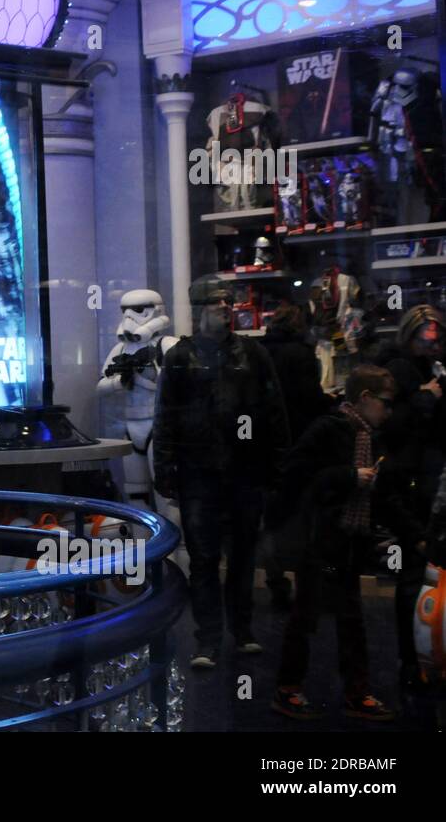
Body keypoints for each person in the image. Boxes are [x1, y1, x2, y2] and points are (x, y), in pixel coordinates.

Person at [272, 365, 426, 720]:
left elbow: (383, 495)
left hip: (344, 542)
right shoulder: (330, 430)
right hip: (320, 542)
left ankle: (350, 692)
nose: (389, 411)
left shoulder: (366, 437)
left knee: (347, 617)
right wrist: (347, 476)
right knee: (310, 615)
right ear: (366, 399)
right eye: (385, 402)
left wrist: (415, 536)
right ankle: (292, 688)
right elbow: (296, 476)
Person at [153, 276, 290, 669]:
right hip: (199, 474)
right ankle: (208, 638)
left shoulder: (252, 353)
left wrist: (277, 467)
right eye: (217, 302)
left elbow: (275, 412)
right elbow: (165, 417)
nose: (226, 307)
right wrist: (166, 470)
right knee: (204, 560)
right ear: (200, 309)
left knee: (243, 558)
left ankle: (242, 631)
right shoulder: (181, 357)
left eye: (228, 302)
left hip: (244, 472)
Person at [373, 304, 446, 688]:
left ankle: (427, 657)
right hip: (410, 486)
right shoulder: (399, 373)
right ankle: (412, 661)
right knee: (413, 578)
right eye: (425, 340)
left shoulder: (431, 369)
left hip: (431, 484)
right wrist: (424, 401)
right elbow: (391, 427)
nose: (431, 346)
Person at [259, 302, 335, 609]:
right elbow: (309, 399)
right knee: (305, 516)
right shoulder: (300, 354)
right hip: (298, 444)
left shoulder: (257, 352)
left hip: (264, 446)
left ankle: (276, 580)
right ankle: (310, 587)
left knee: (271, 519)